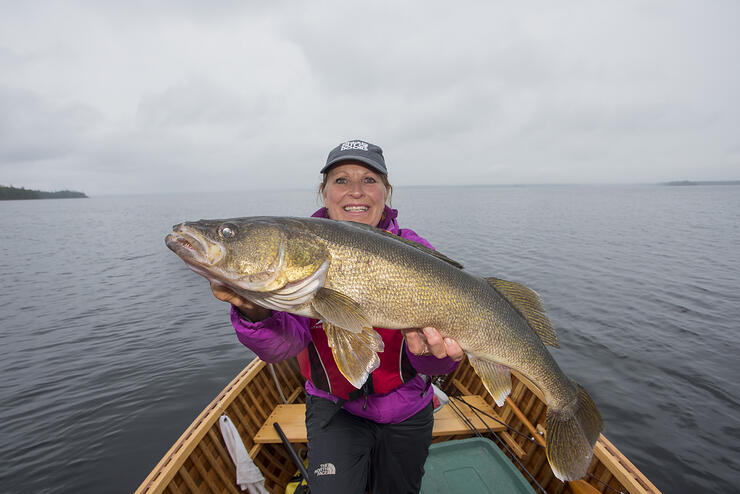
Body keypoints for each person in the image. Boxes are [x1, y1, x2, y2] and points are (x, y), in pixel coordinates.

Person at [210, 139, 464, 494]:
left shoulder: (418, 253)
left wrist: (431, 357)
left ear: (387, 193)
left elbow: (439, 365)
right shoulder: (300, 256)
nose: (355, 191)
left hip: (407, 407)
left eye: (369, 180)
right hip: (335, 410)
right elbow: (281, 348)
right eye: (341, 180)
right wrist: (254, 310)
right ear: (324, 193)